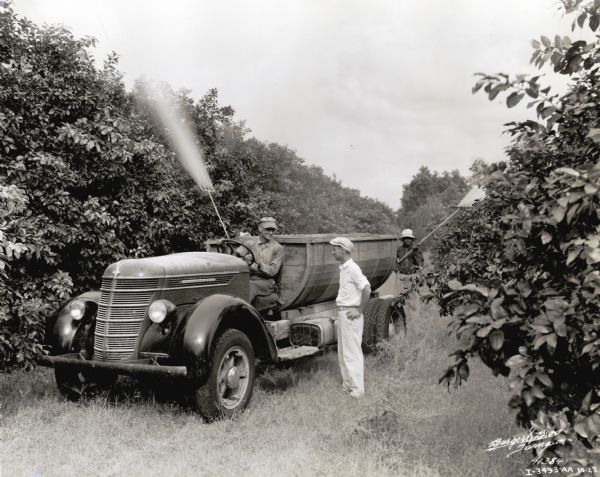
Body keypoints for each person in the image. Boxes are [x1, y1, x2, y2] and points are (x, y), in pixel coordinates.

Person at [329, 236, 371, 399]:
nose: (332, 252)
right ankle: (348, 385)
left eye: (335, 249)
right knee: (343, 353)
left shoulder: (353, 268)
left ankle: (357, 390)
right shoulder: (343, 268)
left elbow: (367, 289)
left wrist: (359, 310)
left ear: (343, 250)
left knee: (352, 353)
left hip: (351, 315)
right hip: (343, 313)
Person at [236, 217, 284, 312]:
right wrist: (246, 262)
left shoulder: (277, 248)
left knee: (250, 286)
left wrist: (259, 264)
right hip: (249, 278)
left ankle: (239, 313)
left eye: (272, 230)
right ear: (260, 229)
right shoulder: (250, 243)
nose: (271, 232)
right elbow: (236, 258)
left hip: (267, 282)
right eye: (268, 229)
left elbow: (273, 271)